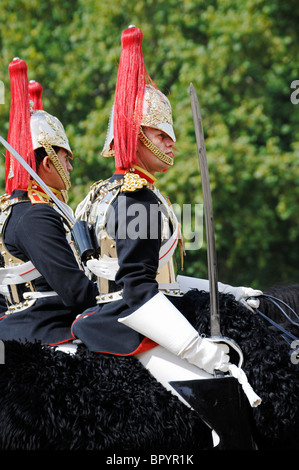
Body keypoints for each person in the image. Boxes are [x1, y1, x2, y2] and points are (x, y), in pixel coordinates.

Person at [71, 26, 262, 403]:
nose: (172, 143)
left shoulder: (100, 192)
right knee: (224, 398)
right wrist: (199, 350)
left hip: (117, 318)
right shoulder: (136, 198)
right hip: (130, 330)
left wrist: (230, 292)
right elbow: (139, 291)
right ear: (136, 135)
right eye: (161, 135)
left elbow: (165, 278)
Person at [0, 58, 98, 346]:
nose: (69, 168)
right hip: (45, 332)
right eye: (66, 159)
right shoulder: (35, 216)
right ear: (46, 162)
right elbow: (76, 292)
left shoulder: (14, 210)